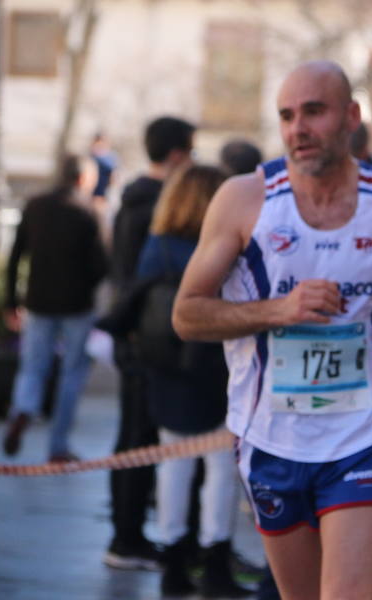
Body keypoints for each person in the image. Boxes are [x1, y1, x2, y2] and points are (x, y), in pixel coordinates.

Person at [172, 60, 372, 600]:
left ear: (351, 116)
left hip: (362, 432)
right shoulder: (245, 200)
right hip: (271, 436)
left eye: (314, 112)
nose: (298, 128)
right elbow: (187, 314)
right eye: (286, 115)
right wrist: (279, 310)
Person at [131, 164, 251, 597]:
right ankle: (215, 559)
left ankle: (173, 561)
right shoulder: (214, 248)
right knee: (220, 468)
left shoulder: (157, 246)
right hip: (213, 368)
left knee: (173, 463)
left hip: (166, 369)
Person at [104, 116, 195, 570]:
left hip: (134, 333)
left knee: (133, 435)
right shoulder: (159, 209)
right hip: (149, 337)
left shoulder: (130, 204)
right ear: (177, 154)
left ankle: (128, 533)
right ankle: (127, 537)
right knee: (140, 438)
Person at [2, 154, 108, 463]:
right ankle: (58, 446)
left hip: (38, 301)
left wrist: (11, 301)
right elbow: (101, 264)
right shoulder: (88, 211)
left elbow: (14, 255)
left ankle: (23, 409)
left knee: (33, 366)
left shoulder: (36, 206)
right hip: (77, 305)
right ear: (83, 179)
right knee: (72, 374)